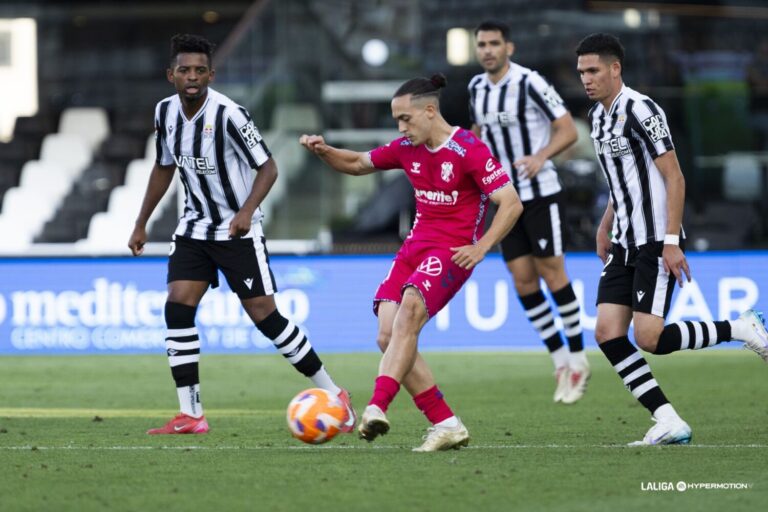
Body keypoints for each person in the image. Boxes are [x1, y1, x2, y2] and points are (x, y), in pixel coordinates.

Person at [128, 34, 354, 435]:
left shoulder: (230, 115)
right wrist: (142, 221)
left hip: (236, 231)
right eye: (184, 70)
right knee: (177, 305)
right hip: (194, 227)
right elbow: (163, 167)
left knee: (264, 316)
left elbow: (267, 167)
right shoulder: (164, 113)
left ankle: (334, 394)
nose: (192, 77)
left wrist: (247, 212)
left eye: (200, 70)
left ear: (211, 75)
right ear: (171, 75)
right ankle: (191, 414)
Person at [300, 74, 523, 451]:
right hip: (414, 249)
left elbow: (511, 202)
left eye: (405, 118)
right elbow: (356, 163)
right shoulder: (407, 147)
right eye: (397, 120)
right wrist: (325, 151)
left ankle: (377, 405)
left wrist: (482, 246)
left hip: (451, 252)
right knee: (387, 335)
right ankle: (446, 423)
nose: (400, 127)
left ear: (430, 110)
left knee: (409, 312)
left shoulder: (469, 149)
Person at [575, 33, 768, 445]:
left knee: (650, 339)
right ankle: (667, 420)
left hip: (653, 240)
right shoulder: (597, 117)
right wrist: (605, 223)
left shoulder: (642, 109)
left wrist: (670, 241)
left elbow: (674, 176)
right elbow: (621, 182)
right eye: (581, 73)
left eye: (593, 70)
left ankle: (740, 327)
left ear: (615, 69)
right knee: (608, 332)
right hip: (624, 238)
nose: (586, 79)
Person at [469, 20, 588, 404]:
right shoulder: (475, 88)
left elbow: (567, 129)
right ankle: (558, 360)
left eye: (493, 43)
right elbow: (478, 133)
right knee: (522, 280)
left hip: (540, 194)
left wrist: (540, 157)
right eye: (482, 44)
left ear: (510, 47)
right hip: (505, 201)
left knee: (552, 273)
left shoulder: (529, 83)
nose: (487, 50)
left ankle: (578, 359)